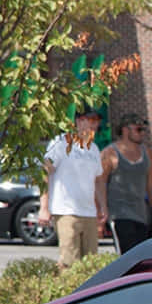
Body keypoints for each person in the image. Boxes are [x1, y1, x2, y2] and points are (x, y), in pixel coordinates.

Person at [40, 109, 104, 268]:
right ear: (79, 121)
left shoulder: (94, 148)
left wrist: (101, 208)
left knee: (91, 265)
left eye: (97, 121)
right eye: (91, 120)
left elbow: (96, 182)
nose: (94, 125)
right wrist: (44, 207)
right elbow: (44, 172)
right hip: (66, 211)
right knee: (69, 262)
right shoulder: (62, 142)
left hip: (89, 212)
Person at [96, 113, 152, 254]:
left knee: (144, 259)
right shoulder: (110, 153)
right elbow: (100, 183)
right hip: (119, 215)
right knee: (127, 258)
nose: (143, 133)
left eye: (144, 130)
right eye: (138, 129)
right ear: (125, 130)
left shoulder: (147, 152)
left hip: (142, 215)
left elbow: (151, 186)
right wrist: (102, 210)